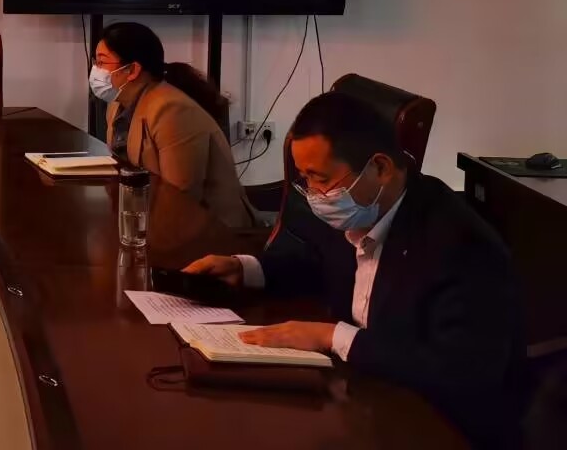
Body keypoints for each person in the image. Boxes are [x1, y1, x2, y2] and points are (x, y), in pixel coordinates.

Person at [184, 92, 523, 447]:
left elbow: (460, 373)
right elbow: (320, 267)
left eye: (320, 179)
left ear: (380, 168)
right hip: (365, 403)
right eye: (305, 179)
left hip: (439, 428)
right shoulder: (359, 208)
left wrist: (332, 336)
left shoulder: (461, 244)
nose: (314, 195)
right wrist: (246, 269)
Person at [91, 22, 251, 228]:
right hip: (147, 217)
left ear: (132, 69)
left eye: (102, 62)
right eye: (96, 61)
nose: (96, 70)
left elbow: (181, 196)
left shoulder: (171, 110)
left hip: (211, 230)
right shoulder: (116, 105)